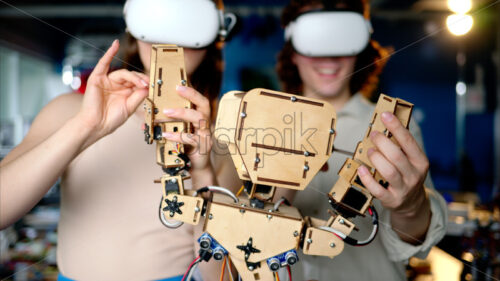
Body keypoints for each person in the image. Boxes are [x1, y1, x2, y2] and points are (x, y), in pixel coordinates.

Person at [0, 0, 238, 280]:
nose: (172, 41)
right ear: (134, 33)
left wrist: (202, 173)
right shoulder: (68, 111)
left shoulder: (226, 133)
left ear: (214, 37)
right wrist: (86, 127)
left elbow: (220, 275)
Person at [276, 0, 448, 280]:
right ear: (292, 51)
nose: (329, 57)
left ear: (361, 49)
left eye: (342, 41)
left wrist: (411, 204)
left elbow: (417, 244)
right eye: (315, 41)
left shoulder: (393, 127)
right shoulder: (260, 125)